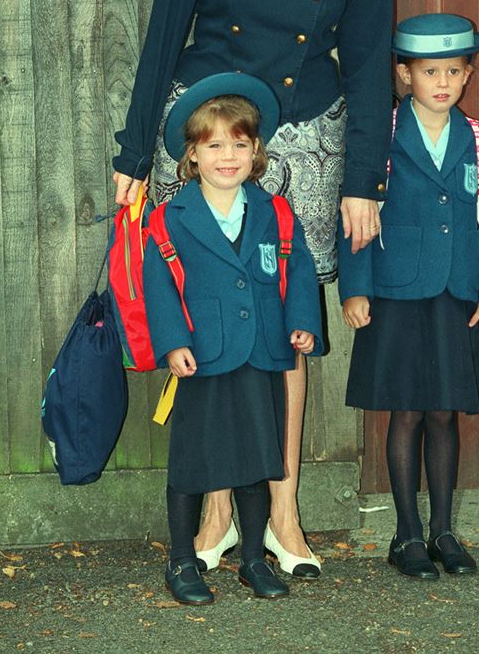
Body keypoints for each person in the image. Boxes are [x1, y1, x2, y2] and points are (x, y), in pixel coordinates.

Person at [112, 0, 393, 575]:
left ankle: (282, 513)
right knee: (199, 322)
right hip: (212, 131)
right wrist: (136, 151)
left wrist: (362, 181)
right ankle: (209, 515)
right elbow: (163, 34)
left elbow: (372, 58)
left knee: (286, 332)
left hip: (307, 136)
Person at [338, 14, 479, 579]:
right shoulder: (380, 135)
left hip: (455, 294)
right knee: (406, 412)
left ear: (467, 76)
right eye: (430, 70)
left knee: (443, 412)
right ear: (405, 74)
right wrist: (355, 287)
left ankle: (444, 531)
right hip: (394, 293)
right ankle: (405, 534)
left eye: (454, 72)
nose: (443, 82)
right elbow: (359, 215)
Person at [143, 73, 323, 603]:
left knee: (256, 458)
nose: (228, 156)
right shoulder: (169, 219)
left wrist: (303, 322)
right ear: (192, 156)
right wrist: (173, 342)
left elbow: (301, 270)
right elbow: (159, 288)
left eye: (239, 145)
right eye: (214, 145)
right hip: (201, 356)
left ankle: (251, 559)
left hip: (263, 352)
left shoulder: (274, 213)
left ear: (255, 152)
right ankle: (181, 561)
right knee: (194, 461)